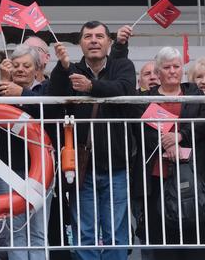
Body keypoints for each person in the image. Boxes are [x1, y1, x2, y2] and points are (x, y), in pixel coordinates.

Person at [49, 21, 136, 260]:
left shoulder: (122, 65)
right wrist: (62, 66)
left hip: (116, 164)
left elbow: (126, 89)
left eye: (99, 36)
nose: (94, 40)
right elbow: (53, 95)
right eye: (88, 37)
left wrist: (91, 86)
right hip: (81, 166)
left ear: (109, 42)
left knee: (116, 234)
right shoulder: (71, 68)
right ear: (80, 43)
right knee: (84, 233)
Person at [133, 47, 205, 260]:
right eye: (166, 67)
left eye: (176, 66)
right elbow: (140, 130)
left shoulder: (195, 94)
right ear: (158, 72)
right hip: (157, 178)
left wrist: (180, 137)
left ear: (182, 69)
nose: (172, 71)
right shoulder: (145, 98)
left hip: (192, 178)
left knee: (193, 241)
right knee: (162, 243)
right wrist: (167, 145)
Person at [0, 44, 53, 260]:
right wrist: (3, 82)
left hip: (41, 168)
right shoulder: (0, 90)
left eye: (26, 65)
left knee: (38, 231)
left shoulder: (46, 90)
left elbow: (50, 113)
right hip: (8, 170)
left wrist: (22, 94)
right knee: (15, 231)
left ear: (37, 69)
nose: (20, 69)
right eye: (15, 65)